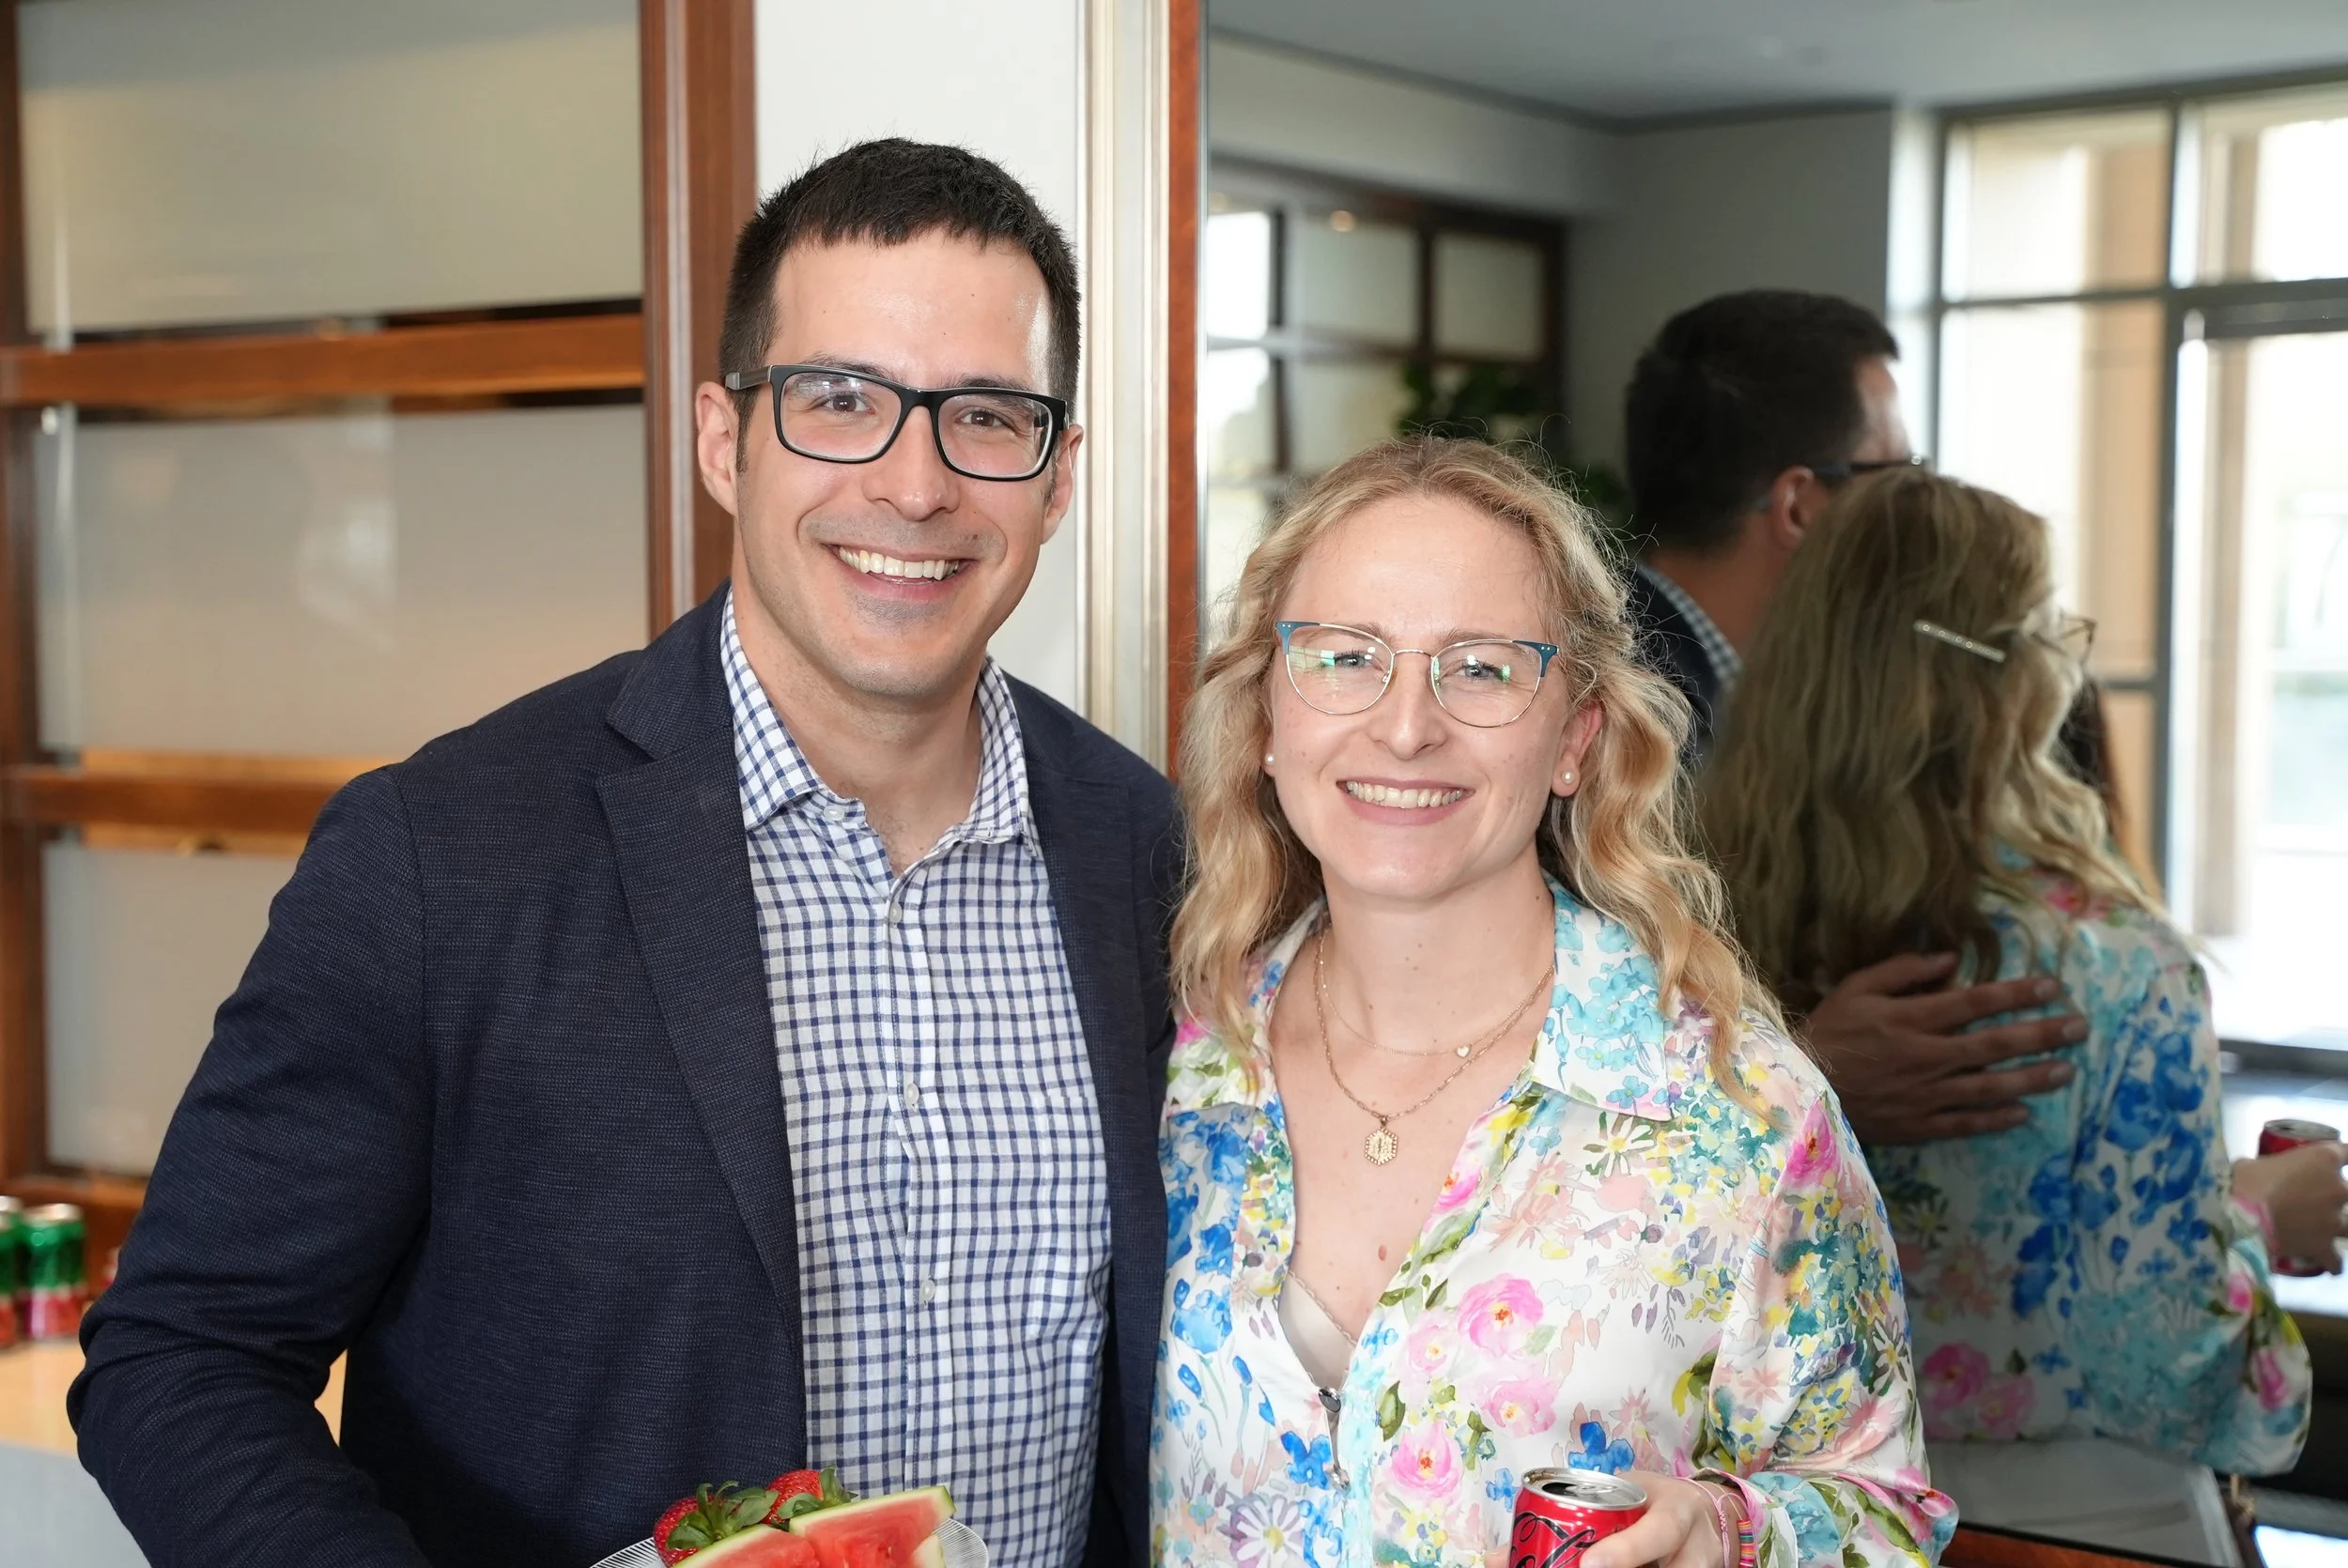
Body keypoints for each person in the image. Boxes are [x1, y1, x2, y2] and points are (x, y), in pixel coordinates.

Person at [71, 140, 1179, 1568]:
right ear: (725, 439)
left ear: (1059, 473)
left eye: (984, 415)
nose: (916, 485)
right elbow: (182, 1352)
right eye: (840, 400)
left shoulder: (1150, 854)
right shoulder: (442, 855)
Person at [1151, 437, 1950, 1568]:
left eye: (1481, 668)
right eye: (1344, 656)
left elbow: (1885, 1510)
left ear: (1575, 736)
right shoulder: (1178, 1060)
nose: (1406, 724)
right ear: (1268, 718)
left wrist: (1725, 1530)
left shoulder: (1743, 1115)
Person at [1702, 469, 2328, 1563]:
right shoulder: (2113, 965)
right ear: (1997, 676)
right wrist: (2259, 1216)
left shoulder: (1693, 937)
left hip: (1803, 1519)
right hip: (2089, 1520)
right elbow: (2161, 1357)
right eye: (2050, 627)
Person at [1622, 288, 2085, 1149]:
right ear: (1800, 506)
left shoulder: (1795, 713)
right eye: (1897, 476)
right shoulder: (1622, 714)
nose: (1916, 506)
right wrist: (1806, 1067)